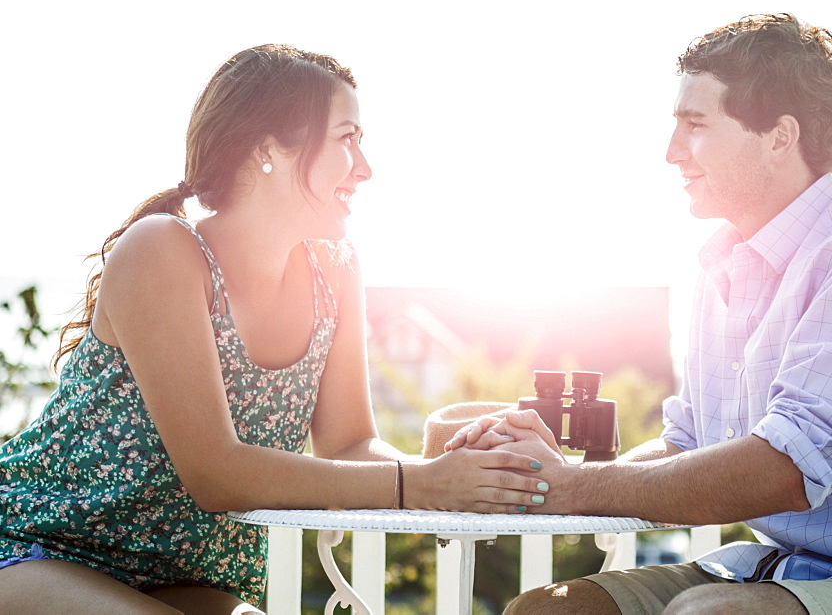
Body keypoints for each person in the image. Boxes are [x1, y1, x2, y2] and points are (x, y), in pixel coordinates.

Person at [448, 14, 832, 614]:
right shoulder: (718, 267)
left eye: (696, 124)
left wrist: (570, 489)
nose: (671, 151)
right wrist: (553, 472)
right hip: (782, 570)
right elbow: (686, 446)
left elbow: (787, 469)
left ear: (779, 137)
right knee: (547, 609)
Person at [0, 44, 549, 614]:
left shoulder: (335, 268)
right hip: (43, 548)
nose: (365, 167)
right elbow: (216, 473)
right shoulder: (161, 251)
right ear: (269, 149)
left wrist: (453, 468)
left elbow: (348, 446)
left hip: (181, 575)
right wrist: (420, 485)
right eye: (346, 138)